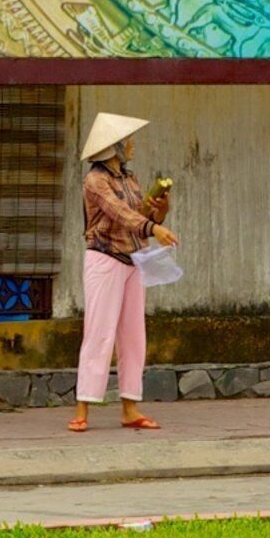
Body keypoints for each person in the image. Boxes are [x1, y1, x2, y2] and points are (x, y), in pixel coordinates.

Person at [70, 112, 173, 435]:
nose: (132, 145)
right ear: (114, 147)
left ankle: (130, 408)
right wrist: (154, 227)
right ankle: (82, 408)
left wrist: (158, 210)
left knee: (133, 336)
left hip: (133, 259)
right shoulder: (95, 181)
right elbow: (120, 214)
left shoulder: (129, 178)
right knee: (99, 333)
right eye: (127, 140)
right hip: (104, 259)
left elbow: (136, 214)